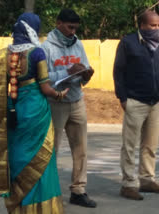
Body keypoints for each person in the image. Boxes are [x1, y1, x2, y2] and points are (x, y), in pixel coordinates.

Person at [0, 13, 68, 213]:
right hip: (35, 109)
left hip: (14, 108)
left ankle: (18, 206)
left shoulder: (4, 54)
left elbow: (5, 87)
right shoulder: (37, 53)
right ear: (32, 30)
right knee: (42, 157)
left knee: (19, 155)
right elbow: (45, 88)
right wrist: (60, 94)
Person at [113, 10, 159, 200]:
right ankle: (127, 184)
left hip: (155, 101)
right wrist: (123, 98)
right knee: (129, 145)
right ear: (142, 25)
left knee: (150, 145)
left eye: (158, 25)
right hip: (135, 101)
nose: (156, 28)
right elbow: (118, 72)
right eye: (152, 25)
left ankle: (147, 180)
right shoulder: (128, 43)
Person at [41, 9, 96, 208]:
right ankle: (50, 192)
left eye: (76, 28)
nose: (73, 32)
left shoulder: (78, 44)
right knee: (52, 149)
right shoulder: (46, 47)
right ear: (58, 23)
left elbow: (84, 68)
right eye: (69, 27)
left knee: (80, 148)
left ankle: (78, 190)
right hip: (55, 103)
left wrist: (85, 74)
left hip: (76, 100)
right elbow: (43, 78)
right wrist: (66, 71)